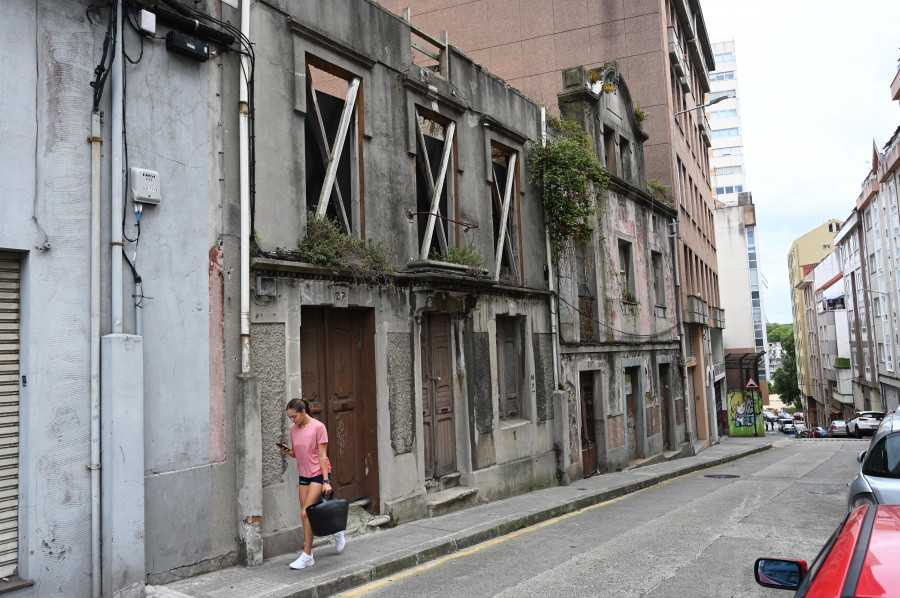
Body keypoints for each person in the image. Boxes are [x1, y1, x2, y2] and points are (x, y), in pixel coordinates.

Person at [279, 398, 345, 569]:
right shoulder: (293, 429)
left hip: (318, 473)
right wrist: (288, 452)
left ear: (303, 412)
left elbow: (322, 456)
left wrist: (326, 481)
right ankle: (336, 529)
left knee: (305, 513)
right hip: (304, 475)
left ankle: (307, 555)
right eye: (289, 418)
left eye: (294, 416)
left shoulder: (318, 427)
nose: (292, 420)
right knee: (309, 515)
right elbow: (297, 453)